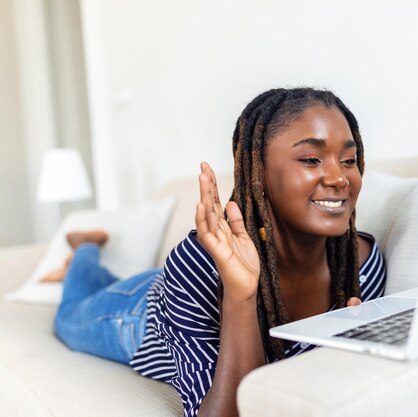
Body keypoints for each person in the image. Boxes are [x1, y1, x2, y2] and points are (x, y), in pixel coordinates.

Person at [53, 87, 387, 417]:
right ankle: (84, 250)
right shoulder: (198, 264)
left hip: (175, 290)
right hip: (140, 311)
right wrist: (241, 297)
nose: (339, 178)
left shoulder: (362, 267)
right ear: (259, 170)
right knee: (68, 314)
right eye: (312, 159)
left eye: (348, 160)